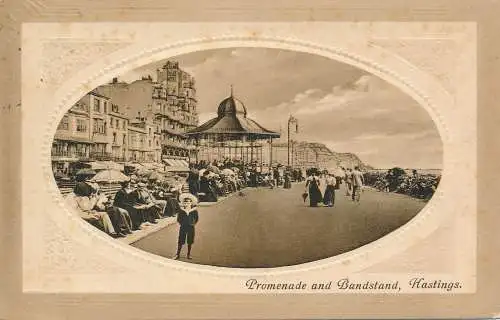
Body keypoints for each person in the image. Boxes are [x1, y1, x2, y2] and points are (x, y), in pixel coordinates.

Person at [173, 193, 199, 260]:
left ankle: (188, 254)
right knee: (181, 240)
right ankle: (177, 254)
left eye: (188, 202)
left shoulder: (194, 211)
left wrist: (192, 223)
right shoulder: (182, 211)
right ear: (183, 203)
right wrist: (182, 223)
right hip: (183, 227)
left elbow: (196, 219)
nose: (187, 203)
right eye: (185, 202)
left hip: (191, 227)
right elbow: (179, 219)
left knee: (190, 241)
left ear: (191, 203)